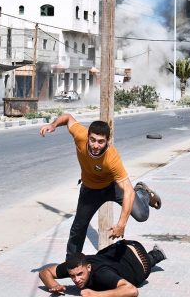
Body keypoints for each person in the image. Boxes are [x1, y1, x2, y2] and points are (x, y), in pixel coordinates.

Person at [39, 114, 162, 258]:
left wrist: (121, 224)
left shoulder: (112, 158)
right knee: (78, 227)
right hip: (90, 189)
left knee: (142, 215)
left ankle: (142, 192)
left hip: (112, 187)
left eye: (100, 142)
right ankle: (71, 263)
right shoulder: (80, 135)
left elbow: (128, 190)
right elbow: (67, 118)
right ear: (88, 136)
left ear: (107, 141)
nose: (95, 145)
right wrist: (53, 125)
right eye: (92, 140)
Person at [39, 239, 167, 296]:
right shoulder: (76, 265)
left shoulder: (101, 274)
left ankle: (155, 256)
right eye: (72, 276)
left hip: (140, 263)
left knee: (133, 274)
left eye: (80, 274)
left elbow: (132, 291)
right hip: (120, 250)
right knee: (104, 256)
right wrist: (53, 285)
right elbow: (45, 272)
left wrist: (96, 295)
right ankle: (156, 254)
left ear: (88, 267)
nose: (76, 279)